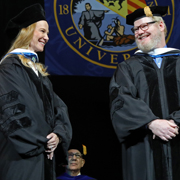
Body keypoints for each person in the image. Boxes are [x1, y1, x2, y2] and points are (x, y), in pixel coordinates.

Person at [0, 3, 72, 180]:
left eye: (47, 33)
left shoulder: (39, 73)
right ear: (27, 31)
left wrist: (58, 135)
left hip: (42, 154)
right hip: (21, 156)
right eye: (42, 31)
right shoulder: (9, 67)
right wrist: (44, 140)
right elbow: (17, 108)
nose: (47, 37)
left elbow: (59, 108)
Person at [109, 5, 180, 180]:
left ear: (161, 26)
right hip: (144, 146)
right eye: (136, 29)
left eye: (144, 26)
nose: (139, 32)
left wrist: (174, 122)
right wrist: (151, 122)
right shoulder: (127, 67)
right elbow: (120, 100)